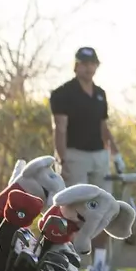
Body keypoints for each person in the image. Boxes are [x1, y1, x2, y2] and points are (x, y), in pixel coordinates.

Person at [50, 47, 119, 187]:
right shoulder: (62, 93)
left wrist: (116, 154)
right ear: (76, 66)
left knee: (103, 202)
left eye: (92, 64)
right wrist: (61, 160)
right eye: (85, 64)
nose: (89, 68)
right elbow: (60, 128)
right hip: (74, 155)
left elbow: (103, 126)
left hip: (99, 156)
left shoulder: (100, 93)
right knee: (75, 204)